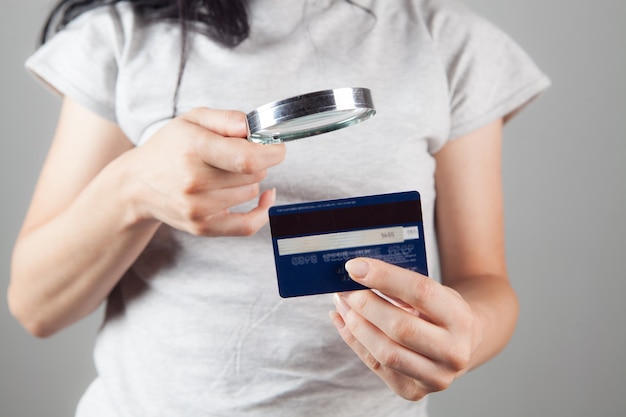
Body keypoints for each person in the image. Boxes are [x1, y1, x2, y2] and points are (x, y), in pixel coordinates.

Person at [8, 0, 550, 416]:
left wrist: (465, 334)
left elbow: (484, 280)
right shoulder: (122, 37)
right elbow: (36, 305)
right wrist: (131, 188)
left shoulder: (449, 43)